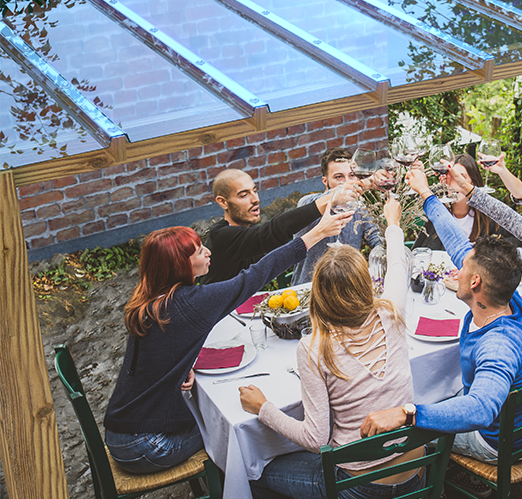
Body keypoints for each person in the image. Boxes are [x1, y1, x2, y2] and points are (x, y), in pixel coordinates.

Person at [103, 207, 351, 474]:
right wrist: (317, 233)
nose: (208, 252)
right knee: (239, 426)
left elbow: (156, 353)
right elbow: (257, 274)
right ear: (179, 265)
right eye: (199, 251)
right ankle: (257, 482)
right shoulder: (192, 304)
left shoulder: (149, 300)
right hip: (148, 446)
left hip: (122, 431)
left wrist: (183, 365)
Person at [238, 197, 422, 499]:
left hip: (360, 486)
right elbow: (398, 265)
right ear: (366, 284)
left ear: (318, 294)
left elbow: (315, 439)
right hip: (416, 472)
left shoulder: (315, 347)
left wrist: (263, 408)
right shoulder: (391, 313)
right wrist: (393, 224)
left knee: (254, 471)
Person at [361, 168, 522, 467]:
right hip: (520, 421)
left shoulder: (498, 346)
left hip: (499, 441)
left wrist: (406, 414)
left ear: (475, 282)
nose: (457, 269)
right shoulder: (506, 293)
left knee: (403, 432)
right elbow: (457, 243)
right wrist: (426, 194)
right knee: (431, 397)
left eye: (463, 268)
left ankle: (429, 481)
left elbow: (480, 409)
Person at [201, 168, 339, 284]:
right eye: (244, 195)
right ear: (223, 202)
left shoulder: (249, 231)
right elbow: (273, 231)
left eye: (255, 191)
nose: (256, 199)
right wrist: (327, 201)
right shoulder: (221, 236)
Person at [292, 147, 382, 284]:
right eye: (339, 177)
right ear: (325, 181)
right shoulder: (307, 204)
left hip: (347, 288)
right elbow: (309, 204)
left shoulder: (360, 207)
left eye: (352, 175)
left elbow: (377, 239)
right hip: (308, 289)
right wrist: (340, 193)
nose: (347, 182)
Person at [413, 153, 520, 251]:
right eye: (452, 176)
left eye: (461, 177)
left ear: (473, 183)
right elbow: (416, 195)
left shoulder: (485, 213)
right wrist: (418, 173)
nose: (455, 182)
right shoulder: (437, 201)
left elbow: (517, 236)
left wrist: (486, 248)